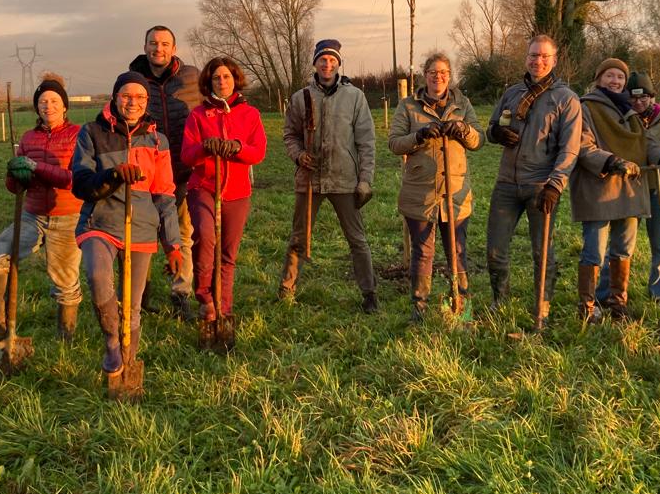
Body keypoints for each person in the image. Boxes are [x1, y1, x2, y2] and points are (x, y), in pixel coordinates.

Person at [71, 72, 181, 375]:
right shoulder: (92, 132)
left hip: (141, 227)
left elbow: (165, 195)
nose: (133, 102)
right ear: (114, 97)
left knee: (132, 303)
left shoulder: (158, 141)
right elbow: (80, 184)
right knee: (97, 277)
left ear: (147, 101)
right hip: (100, 222)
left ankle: (128, 356)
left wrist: (173, 244)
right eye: (126, 96)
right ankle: (111, 341)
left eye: (140, 97)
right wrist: (113, 176)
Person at [570, 58, 660, 323]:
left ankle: (617, 304)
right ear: (599, 79)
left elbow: (648, 144)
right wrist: (612, 161)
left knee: (623, 250)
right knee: (594, 250)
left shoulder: (631, 114)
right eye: (610, 76)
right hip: (599, 190)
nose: (615, 81)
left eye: (620, 78)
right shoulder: (585, 108)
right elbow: (583, 146)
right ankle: (588, 308)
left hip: (629, 191)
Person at [0, 74, 84, 344]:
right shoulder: (28, 137)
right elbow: (14, 189)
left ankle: (66, 337)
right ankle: (1, 323)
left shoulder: (78, 135)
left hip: (67, 215)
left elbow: (75, 179)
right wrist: (15, 175)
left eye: (54, 101)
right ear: (37, 107)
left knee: (64, 280)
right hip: (32, 214)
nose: (48, 106)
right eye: (43, 102)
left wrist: (38, 168)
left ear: (65, 106)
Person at [278, 39, 379, 313]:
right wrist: (299, 155)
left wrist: (365, 179)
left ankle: (369, 293)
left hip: (344, 179)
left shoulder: (354, 97)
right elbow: (289, 134)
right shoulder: (301, 98)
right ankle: (286, 288)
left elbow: (366, 141)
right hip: (309, 180)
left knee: (357, 239)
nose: (327, 64)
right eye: (322, 59)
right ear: (315, 63)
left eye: (332, 60)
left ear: (338, 63)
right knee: (298, 237)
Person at [485, 35, 582, 320]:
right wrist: (497, 133)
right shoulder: (512, 93)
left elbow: (570, 148)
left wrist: (555, 184)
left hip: (541, 185)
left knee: (542, 251)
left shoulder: (566, 99)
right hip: (506, 183)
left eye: (543, 56)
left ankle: (543, 303)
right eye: (532, 55)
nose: (537, 61)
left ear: (554, 60)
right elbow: (492, 128)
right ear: (525, 57)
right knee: (495, 249)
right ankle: (499, 300)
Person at [389, 52, 483, 322]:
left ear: (449, 76)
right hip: (421, 193)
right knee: (423, 251)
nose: (438, 76)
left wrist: (464, 130)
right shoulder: (408, 106)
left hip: (455, 193)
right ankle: (419, 307)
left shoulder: (462, 104)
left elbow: (479, 140)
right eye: (432, 72)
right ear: (425, 75)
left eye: (443, 72)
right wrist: (418, 136)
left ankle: (460, 303)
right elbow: (395, 142)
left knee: (457, 250)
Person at [180, 57, 266, 323]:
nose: (222, 82)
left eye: (226, 77)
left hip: (237, 192)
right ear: (209, 82)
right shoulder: (198, 114)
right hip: (204, 188)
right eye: (217, 78)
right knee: (205, 239)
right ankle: (205, 297)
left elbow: (259, 151)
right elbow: (187, 155)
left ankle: (224, 306)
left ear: (235, 79)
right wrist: (206, 146)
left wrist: (238, 148)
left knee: (228, 253)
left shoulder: (249, 113)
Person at [128, 25, 200, 320]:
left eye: (164, 43)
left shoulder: (192, 77)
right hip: (145, 171)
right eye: (153, 43)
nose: (158, 48)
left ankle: (180, 293)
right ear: (145, 46)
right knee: (141, 233)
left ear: (174, 49)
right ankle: (139, 295)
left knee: (182, 234)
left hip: (183, 170)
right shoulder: (133, 80)